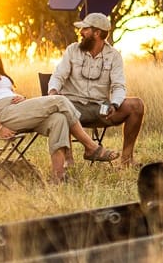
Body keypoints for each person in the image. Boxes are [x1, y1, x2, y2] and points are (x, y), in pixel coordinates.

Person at [0, 22, 117, 183]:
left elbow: (1, 91)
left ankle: (58, 177)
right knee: (60, 100)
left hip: (17, 110)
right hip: (3, 114)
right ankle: (91, 147)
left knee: (59, 119)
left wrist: (19, 97)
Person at [48, 11, 145, 166]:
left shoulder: (114, 56)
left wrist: (114, 104)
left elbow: (118, 86)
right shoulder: (72, 50)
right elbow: (58, 76)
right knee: (60, 106)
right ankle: (69, 160)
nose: (81, 32)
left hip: (101, 107)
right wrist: (53, 91)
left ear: (97, 33)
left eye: (85, 29)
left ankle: (126, 159)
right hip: (73, 107)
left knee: (136, 105)